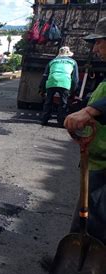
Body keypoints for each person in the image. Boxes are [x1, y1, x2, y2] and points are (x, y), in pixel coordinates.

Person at [64, 17, 106, 243]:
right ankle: (74, 251)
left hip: (103, 165)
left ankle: (88, 262)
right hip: (95, 161)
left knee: (97, 221)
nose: (95, 48)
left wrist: (90, 111)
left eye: (99, 42)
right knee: (85, 213)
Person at [39, 46, 79, 126]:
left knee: (48, 101)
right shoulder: (73, 62)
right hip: (65, 83)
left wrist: (42, 88)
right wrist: (73, 90)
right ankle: (61, 122)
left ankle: (44, 120)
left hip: (51, 82)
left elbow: (45, 76)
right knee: (63, 103)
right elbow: (75, 78)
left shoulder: (52, 61)